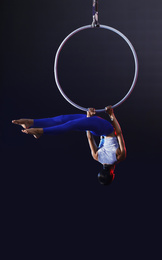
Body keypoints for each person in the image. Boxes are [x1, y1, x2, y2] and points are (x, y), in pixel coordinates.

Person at [12, 106, 126, 185]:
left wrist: (111, 115)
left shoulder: (119, 157)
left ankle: (40, 130)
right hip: (97, 129)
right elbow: (90, 137)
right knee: (68, 122)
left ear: (113, 175)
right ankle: (31, 122)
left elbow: (119, 133)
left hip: (104, 128)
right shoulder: (97, 157)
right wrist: (88, 121)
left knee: (65, 120)